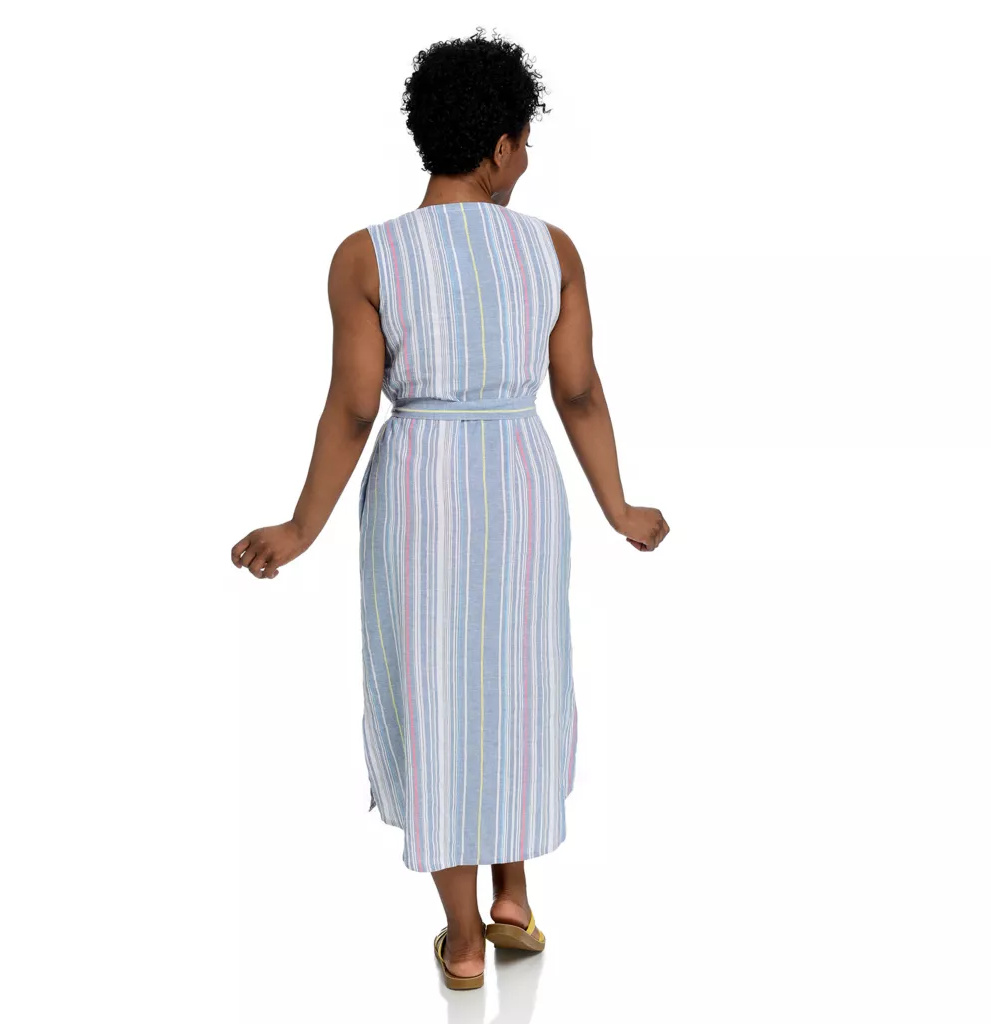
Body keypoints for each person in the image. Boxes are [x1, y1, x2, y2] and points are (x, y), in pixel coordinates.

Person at [230, 28, 669, 990]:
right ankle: (514, 895)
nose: (527, 161)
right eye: (527, 143)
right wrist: (618, 506)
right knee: (518, 676)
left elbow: (354, 407)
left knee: (434, 685)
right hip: (518, 477)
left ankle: (465, 940)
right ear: (501, 147)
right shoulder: (551, 249)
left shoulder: (367, 257)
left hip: (419, 481)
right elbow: (579, 390)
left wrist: (300, 529)